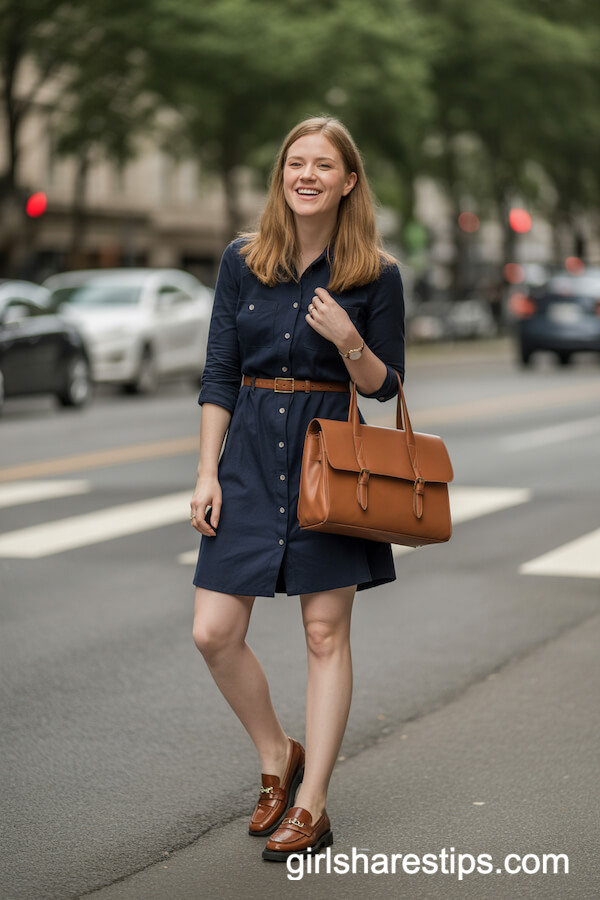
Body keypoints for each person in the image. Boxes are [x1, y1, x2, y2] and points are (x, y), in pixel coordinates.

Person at [190, 115, 405, 862]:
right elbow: (219, 373)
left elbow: (383, 388)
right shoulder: (242, 261)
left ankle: (312, 807)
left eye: (323, 165)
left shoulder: (375, 273)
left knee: (324, 634)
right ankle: (279, 754)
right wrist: (207, 470)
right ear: (283, 176)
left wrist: (349, 339)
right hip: (248, 453)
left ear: (349, 181)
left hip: (326, 459)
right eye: (295, 162)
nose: (306, 174)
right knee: (213, 631)